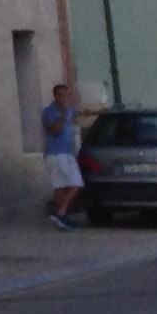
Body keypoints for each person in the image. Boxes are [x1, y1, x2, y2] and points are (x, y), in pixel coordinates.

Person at [43, 83, 85, 227]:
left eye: (67, 95)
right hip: (57, 153)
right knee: (76, 183)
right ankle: (61, 212)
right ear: (56, 96)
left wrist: (101, 111)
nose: (66, 98)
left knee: (61, 186)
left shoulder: (70, 110)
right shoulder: (50, 111)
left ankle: (62, 216)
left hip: (68, 153)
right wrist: (62, 113)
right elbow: (55, 130)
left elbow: (82, 112)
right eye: (62, 95)